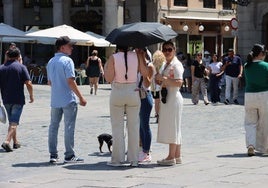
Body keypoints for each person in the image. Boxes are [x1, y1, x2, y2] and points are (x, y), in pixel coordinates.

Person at [104, 46, 148, 167]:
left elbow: (108, 78)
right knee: (134, 126)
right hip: (133, 90)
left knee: (117, 126)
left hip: (118, 91)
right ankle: (133, 159)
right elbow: (145, 73)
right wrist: (141, 56)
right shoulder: (137, 56)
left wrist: (109, 61)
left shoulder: (114, 57)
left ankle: (117, 159)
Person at [46, 36, 87, 163]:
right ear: (62, 47)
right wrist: (81, 97)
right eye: (70, 46)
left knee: (53, 126)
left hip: (55, 99)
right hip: (68, 99)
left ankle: (53, 155)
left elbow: (49, 82)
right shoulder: (67, 61)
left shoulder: (51, 61)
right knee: (68, 127)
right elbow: (71, 81)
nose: (72, 48)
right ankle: (69, 155)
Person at [155, 41, 184, 166]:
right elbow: (161, 81)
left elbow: (179, 82)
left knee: (173, 126)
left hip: (173, 97)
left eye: (169, 49)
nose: (167, 52)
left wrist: (165, 79)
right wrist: (159, 78)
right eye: (164, 49)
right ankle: (177, 155)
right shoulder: (165, 64)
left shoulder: (176, 65)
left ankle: (171, 156)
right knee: (175, 126)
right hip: (169, 97)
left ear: (174, 50)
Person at [0, 47, 34, 152]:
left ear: (7, 56)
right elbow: (28, 83)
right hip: (18, 99)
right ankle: (6, 141)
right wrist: (31, 95)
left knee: (12, 121)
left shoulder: (1, 68)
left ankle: (15, 142)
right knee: (14, 122)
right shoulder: (21, 67)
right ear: (19, 56)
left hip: (6, 98)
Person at [243, 44, 268, 156]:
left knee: (250, 122)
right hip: (264, 95)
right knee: (265, 122)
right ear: (261, 54)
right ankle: (266, 147)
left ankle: (251, 145)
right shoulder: (266, 66)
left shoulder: (246, 66)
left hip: (249, 95)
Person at [138, 48, 154, 163]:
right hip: (137, 97)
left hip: (145, 96)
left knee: (145, 125)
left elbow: (147, 83)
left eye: (140, 52)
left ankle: (147, 151)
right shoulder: (136, 65)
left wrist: (143, 65)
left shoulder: (150, 66)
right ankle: (141, 149)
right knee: (140, 125)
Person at [151, 50, 166, 123]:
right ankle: (162, 114)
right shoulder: (164, 64)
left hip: (155, 86)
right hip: (162, 85)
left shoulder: (153, 65)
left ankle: (157, 114)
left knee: (156, 101)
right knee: (162, 101)